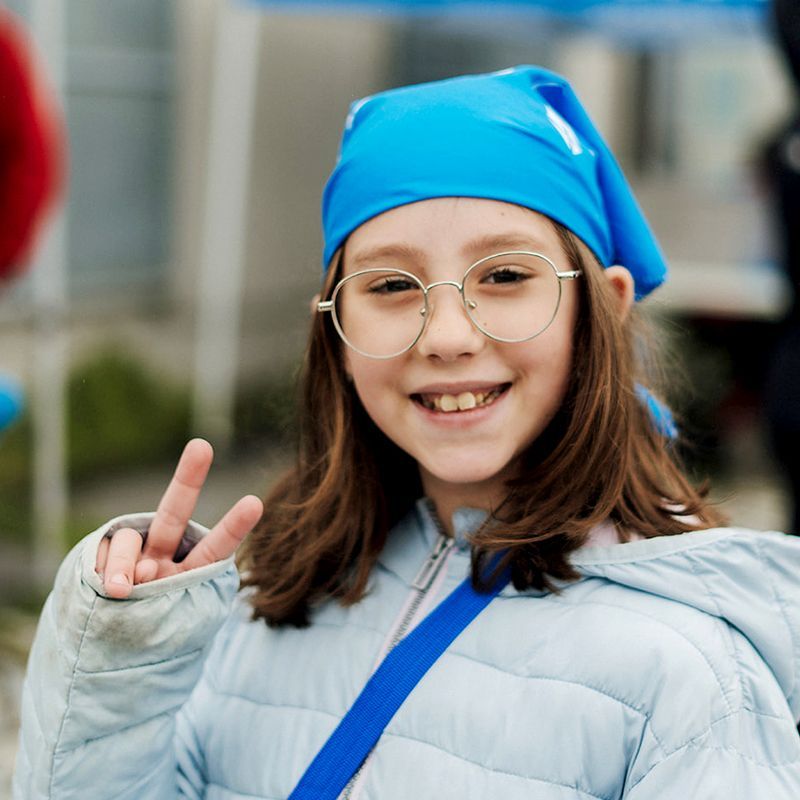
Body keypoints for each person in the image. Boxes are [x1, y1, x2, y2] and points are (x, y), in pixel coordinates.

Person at [13, 66, 800, 799]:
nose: (447, 335)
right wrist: (129, 664)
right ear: (336, 332)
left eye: (505, 276)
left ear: (608, 306)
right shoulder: (273, 601)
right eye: (390, 285)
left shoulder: (692, 672)